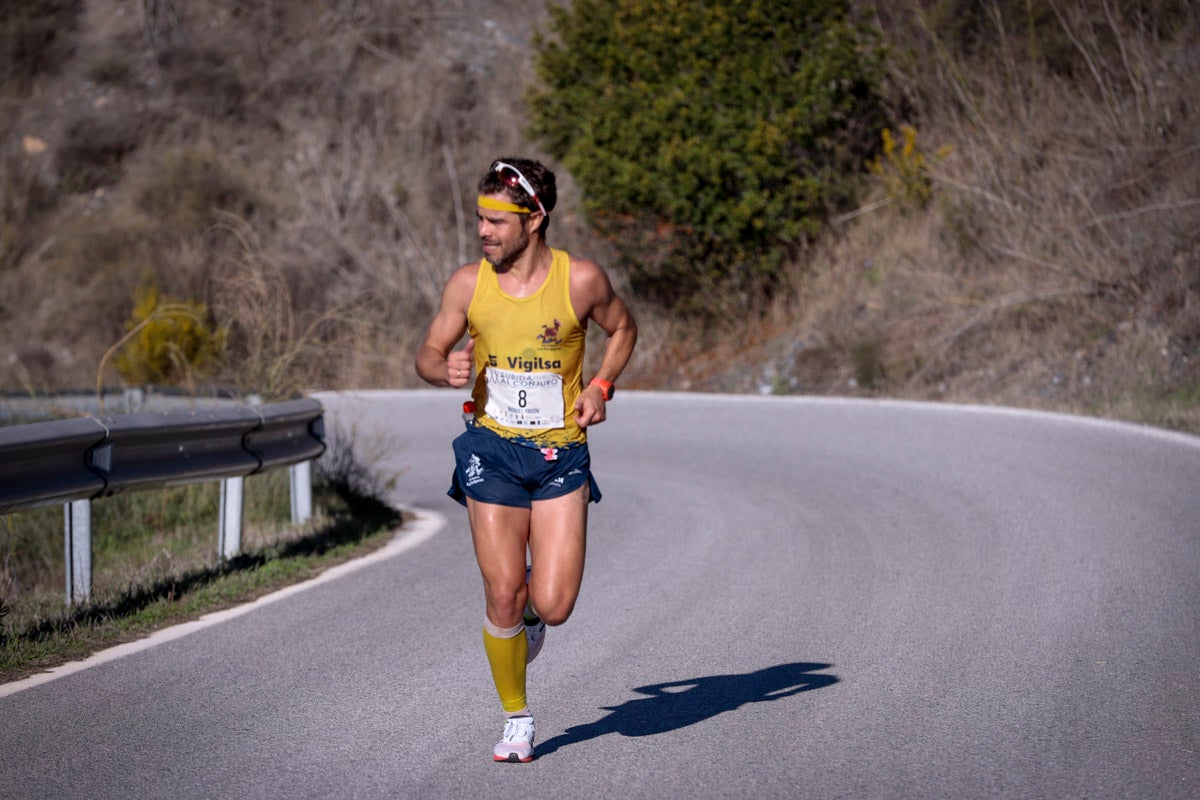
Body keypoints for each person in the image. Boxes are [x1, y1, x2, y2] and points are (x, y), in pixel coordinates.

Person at [415, 158, 637, 763]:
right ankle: (517, 716)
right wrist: (444, 370)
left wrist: (601, 387)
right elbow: (429, 353)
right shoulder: (468, 285)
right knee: (504, 590)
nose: (483, 232)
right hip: (490, 448)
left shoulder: (581, 280)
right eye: (479, 220)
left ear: (534, 219)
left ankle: (530, 623)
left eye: (495, 221)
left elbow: (622, 330)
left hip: (560, 453)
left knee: (555, 604)